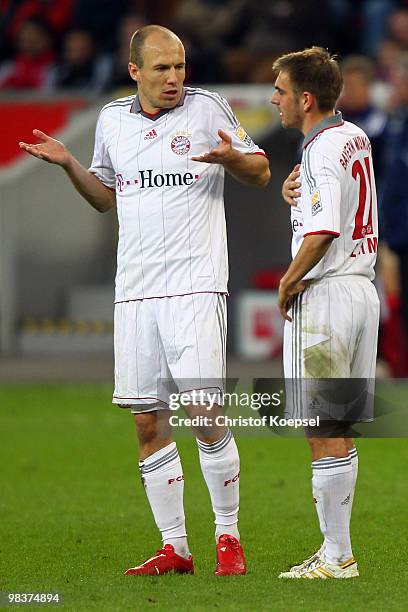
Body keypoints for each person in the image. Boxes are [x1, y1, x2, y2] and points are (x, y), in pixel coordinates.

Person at [19, 25, 270, 576]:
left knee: (204, 412)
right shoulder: (112, 120)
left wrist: (233, 159)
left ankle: (228, 537)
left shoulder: (209, 109)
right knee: (147, 423)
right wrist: (69, 166)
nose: (175, 77)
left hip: (197, 284)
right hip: (134, 292)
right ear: (135, 71)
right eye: (162, 68)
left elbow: (261, 170)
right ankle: (176, 547)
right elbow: (106, 200)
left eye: (180, 66)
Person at [272, 47, 379, 579]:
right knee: (339, 424)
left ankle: (336, 556)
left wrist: (288, 280)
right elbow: (335, 202)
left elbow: (322, 231)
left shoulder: (318, 151)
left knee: (321, 425)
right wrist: (297, 193)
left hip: (327, 295)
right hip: (362, 290)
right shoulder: (353, 136)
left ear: (305, 98)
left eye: (281, 91)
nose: (274, 99)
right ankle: (339, 550)